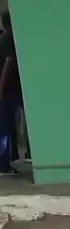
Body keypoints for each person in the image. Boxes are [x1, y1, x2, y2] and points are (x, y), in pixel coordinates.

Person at [0, 11, 23, 175]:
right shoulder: (9, 39)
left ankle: (8, 160)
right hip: (9, 90)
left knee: (6, 127)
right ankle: (3, 165)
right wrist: (1, 88)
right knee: (5, 128)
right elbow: (7, 65)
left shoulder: (4, 38)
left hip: (9, 89)